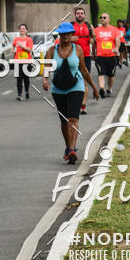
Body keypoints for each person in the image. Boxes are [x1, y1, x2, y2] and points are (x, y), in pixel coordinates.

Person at [43, 22, 99, 164]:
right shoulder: (51, 50)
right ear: (59, 35)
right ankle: (68, 147)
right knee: (64, 121)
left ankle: (72, 149)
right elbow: (47, 66)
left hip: (76, 86)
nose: (65, 36)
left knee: (73, 119)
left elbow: (84, 70)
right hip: (58, 89)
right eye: (63, 34)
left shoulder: (78, 50)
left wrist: (94, 87)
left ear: (72, 35)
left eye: (68, 34)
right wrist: (45, 80)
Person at [71, 6, 94, 114]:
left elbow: (94, 38)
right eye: (78, 13)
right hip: (72, 57)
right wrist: (71, 38)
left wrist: (92, 41)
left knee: (84, 81)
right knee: (72, 81)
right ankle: (73, 103)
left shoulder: (89, 27)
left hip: (86, 57)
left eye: (81, 13)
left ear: (84, 15)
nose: (80, 15)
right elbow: (62, 39)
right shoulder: (71, 26)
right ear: (75, 15)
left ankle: (83, 106)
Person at [93, 13, 121, 98]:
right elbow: (93, 41)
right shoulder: (96, 30)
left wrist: (116, 48)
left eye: (104, 17)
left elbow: (117, 40)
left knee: (111, 74)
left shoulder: (114, 29)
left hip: (111, 55)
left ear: (108, 19)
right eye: (101, 17)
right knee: (101, 72)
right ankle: (102, 89)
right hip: (100, 55)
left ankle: (109, 88)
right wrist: (93, 52)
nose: (102, 19)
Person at [12, 23, 34, 100]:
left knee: (26, 78)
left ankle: (27, 91)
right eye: (20, 28)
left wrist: (22, 46)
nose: (22, 30)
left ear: (26, 30)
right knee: (19, 78)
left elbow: (30, 50)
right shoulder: (16, 39)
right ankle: (19, 94)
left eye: (23, 28)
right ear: (19, 30)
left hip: (27, 61)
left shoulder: (29, 39)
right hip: (18, 61)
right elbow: (13, 45)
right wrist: (12, 49)